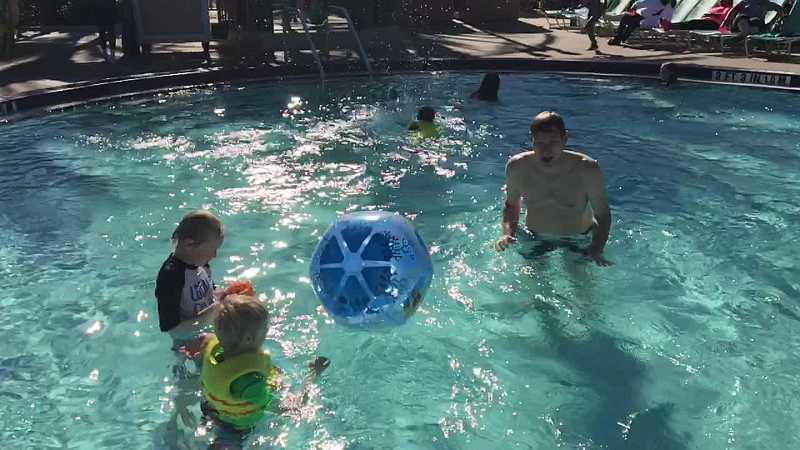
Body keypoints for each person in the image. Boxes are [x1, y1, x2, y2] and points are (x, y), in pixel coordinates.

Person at [194, 294, 330, 448]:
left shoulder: (210, 345)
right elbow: (290, 408)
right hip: (236, 427)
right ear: (249, 339)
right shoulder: (251, 382)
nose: (267, 332)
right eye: (265, 329)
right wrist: (313, 374)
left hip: (209, 408)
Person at [495, 112, 612, 266]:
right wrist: (507, 234)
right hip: (534, 236)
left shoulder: (587, 169)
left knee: (578, 279)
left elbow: (602, 214)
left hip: (577, 238)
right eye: (540, 143)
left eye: (553, 142)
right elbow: (511, 205)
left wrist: (597, 249)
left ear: (565, 139)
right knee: (531, 279)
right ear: (531, 139)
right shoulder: (518, 166)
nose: (546, 150)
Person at [155, 210, 226, 342]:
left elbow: (211, 293)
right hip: (189, 344)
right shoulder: (171, 276)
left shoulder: (201, 264)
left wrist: (227, 295)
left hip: (209, 332)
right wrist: (215, 310)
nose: (215, 255)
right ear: (189, 245)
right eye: (213, 249)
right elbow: (173, 330)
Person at [608, 0, 675, 45]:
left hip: (647, 21)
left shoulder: (664, 6)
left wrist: (662, 25)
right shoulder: (665, 6)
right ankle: (620, 38)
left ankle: (619, 38)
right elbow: (637, 4)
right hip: (643, 19)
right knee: (628, 19)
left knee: (630, 20)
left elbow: (637, 4)